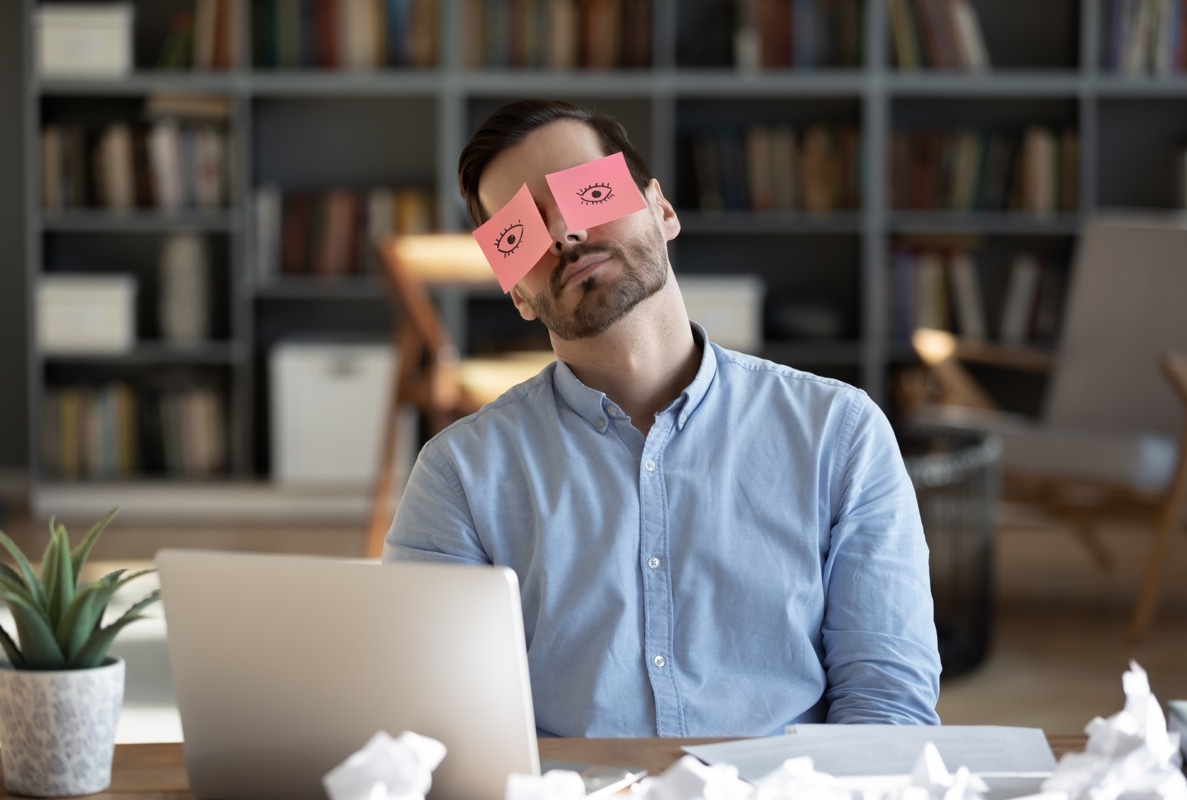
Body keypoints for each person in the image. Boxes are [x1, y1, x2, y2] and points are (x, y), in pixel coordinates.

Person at [383, 98, 941, 737]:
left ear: (662, 208)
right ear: (515, 292)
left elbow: (888, 707)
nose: (564, 233)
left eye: (585, 192)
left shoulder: (840, 434)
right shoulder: (458, 475)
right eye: (521, 232)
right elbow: (438, 727)